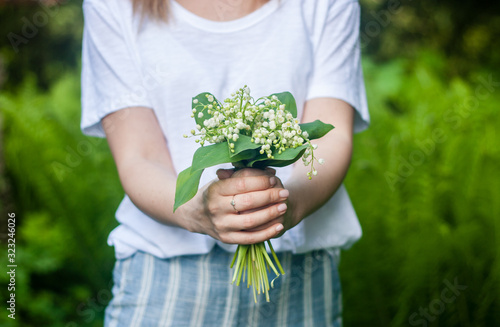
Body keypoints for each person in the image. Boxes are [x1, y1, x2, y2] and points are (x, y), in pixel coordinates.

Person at [81, 0, 369, 325]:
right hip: (164, 275)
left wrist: (284, 206)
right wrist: (198, 209)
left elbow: (328, 135)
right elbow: (139, 155)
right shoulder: (112, 5)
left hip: (301, 272)